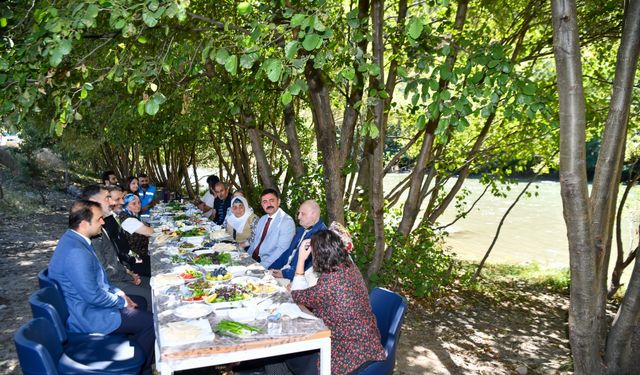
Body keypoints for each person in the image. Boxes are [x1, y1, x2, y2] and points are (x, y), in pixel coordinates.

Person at [48, 200, 155, 375]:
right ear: (84, 224)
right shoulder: (76, 253)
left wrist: (119, 292)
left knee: (141, 303)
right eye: (99, 219)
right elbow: (93, 296)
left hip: (88, 304)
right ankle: (140, 369)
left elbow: (99, 282)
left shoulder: (74, 240)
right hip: (87, 314)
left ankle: (136, 352)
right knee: (150, 322)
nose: (103, 222)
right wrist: (121, 301)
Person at [288, 230, 386, 375]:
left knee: (290, 357)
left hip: (347, 355)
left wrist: (301, 259)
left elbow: (296, 295)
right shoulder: (349, 267)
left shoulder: (328, 284)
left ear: (318, 256)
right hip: (369, 345)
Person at [270, 200, 326, 280]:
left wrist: (285, 274)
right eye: (299, 213)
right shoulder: (301, 229)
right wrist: (271, 268)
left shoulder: (322, 236)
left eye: (303, 214)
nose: (299, 217)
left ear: (314, 215)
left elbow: (310, 267)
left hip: (297, 278)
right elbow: (288, 252)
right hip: (285, 271)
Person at [247, 188, 295, 268]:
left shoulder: (286, 222)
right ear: (262, 205)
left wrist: (261, 267)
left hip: (269, 264)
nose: (268, 204)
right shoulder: (262, 219)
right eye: (265, 202)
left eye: (271, 200)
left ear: (278, 202)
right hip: (253, 260)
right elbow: (255, 242)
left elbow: (281, 250)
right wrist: (246, 257)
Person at [120, 193, 154, 258]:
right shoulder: (129, 220)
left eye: (139, 203)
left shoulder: (131, 214)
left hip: (142, 251)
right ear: (126, 205)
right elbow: (150, 232)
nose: (138, 205)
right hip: (139, 256)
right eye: (134, 203)